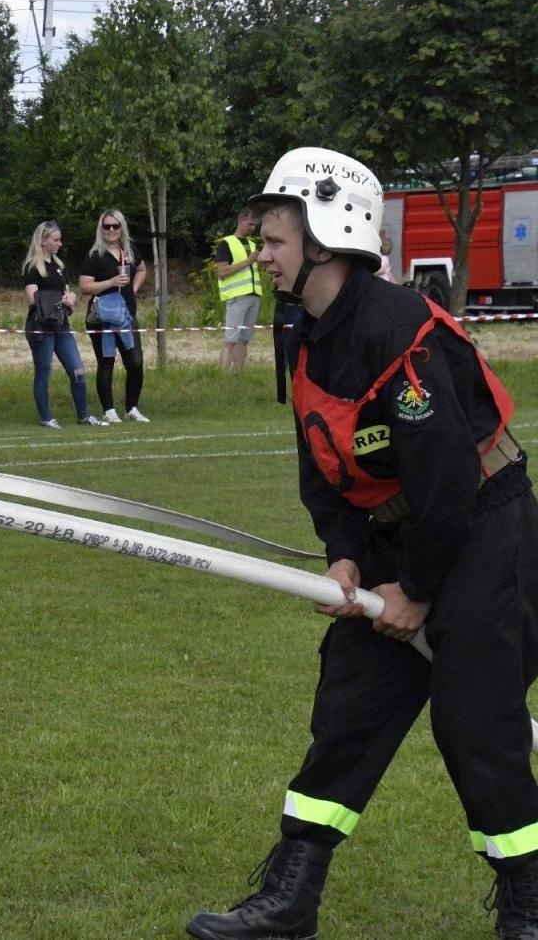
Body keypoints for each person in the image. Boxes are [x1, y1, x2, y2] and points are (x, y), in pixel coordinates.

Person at [186, 147, 538, 940]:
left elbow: (449, 480)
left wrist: (415, 590)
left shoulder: (395, 327)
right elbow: (319, 460)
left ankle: (528, 905)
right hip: (394, 538)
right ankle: (290, 899)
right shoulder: (306, 332)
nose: (261, 257)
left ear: (326, 238)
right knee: (348, 709)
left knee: (476, 722)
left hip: (481, 529)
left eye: (273, 241)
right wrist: (343, 551)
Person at [22, 219, 106, 429]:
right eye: (56, 240)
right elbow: (33, 298)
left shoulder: (59, 267)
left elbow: (66, 294)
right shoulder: (32, 267)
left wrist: (70, 300)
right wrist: (60, 299)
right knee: (44, 371)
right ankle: (46, 417)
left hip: (62, 325)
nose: (60, 244)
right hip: (41, 326)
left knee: (77, 370)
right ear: (43, 241)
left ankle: (84, 415)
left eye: (60, 240)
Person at [78, 209, 150, 423]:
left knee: (135, 362)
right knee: (106, 361)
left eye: (115, 226)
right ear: (101, 229)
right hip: (103, 317)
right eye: (106, 226)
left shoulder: (129, 250)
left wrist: (134, 289)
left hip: (127, 315)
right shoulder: (94, 255)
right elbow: (84, 286)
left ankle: (132, 408)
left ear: (122, 228)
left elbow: (142, 269)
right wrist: (110, 283)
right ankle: (108, 410)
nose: (111, 230)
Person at [215, 205, 263, 372]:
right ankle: (224, 374)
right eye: (250, 224)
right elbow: (222, 271)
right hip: (236, 296)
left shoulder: (251, 244)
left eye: (255, 225)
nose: (253, 228)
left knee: (244, 339)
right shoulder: (226, 243)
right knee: (231, 339)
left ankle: (238, 374)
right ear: (241, 220)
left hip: (253, 295)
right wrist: (248, 262)